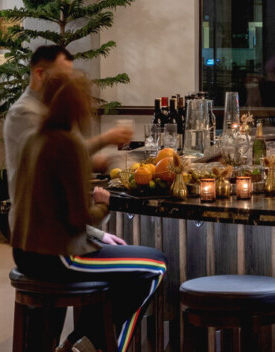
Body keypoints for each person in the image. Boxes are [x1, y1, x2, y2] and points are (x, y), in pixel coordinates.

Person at [11, 74, 167, 352]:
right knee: (155, 266)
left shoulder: (33, 138)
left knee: (128, 272)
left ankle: (79, 342)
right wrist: (103, 203)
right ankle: (92, 345)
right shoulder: (66, 144)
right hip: (59, 257)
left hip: (26, 253)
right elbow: (78, 218)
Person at [4, 45, 133, 243]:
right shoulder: (24, 113)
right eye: (64, 79)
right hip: (42, 231)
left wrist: (99, 160)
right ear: (40, 74)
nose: (71, 86)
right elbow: (60, 158)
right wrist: (105, 140)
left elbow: (63, 163)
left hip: (62, 226)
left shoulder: (55, 114)